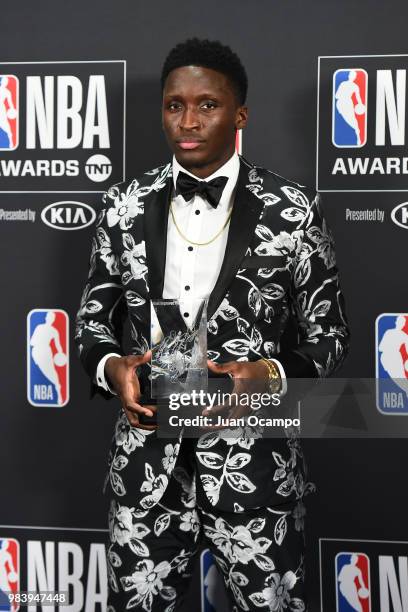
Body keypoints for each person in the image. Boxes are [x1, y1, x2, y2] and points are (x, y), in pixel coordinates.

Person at [75, 38, 350, 611]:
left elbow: (331, 335)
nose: (188, 121)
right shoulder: (122, 205)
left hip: (255, 465)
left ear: (239, 115)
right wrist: (111, 369)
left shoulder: (292, 209)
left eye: (208, 105)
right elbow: (92, 322)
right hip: (145, 467)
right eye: (174, 105)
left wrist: (271, 373)